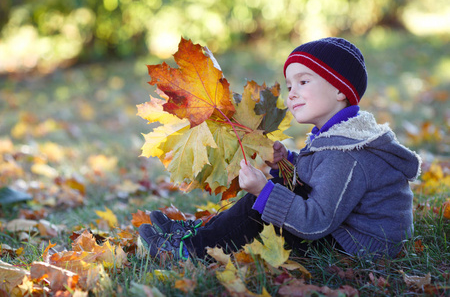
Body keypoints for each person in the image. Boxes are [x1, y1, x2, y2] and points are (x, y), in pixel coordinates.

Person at [137, 37, 421, 261]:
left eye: (304, 81)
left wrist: (264, 191)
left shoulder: (347, 155)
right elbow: (320, 181)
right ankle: (203, 234)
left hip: (358, 245)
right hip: (345, 228)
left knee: (262, 202)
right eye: (289, 84)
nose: (292, 92)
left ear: (339, 90)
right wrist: (287, 161)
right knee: (279, 185)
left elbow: (316, 222)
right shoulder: (340, 135)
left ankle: (191, 251)